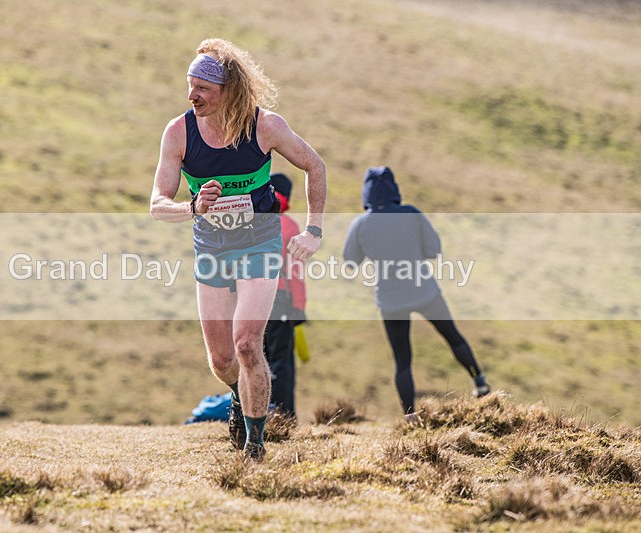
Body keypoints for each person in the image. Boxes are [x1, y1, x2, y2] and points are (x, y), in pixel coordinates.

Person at [150, 39, 326, 460]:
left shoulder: (265, 126)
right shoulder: (179, 133)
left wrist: (312, 230)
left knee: (248, 344)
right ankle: (237, 393)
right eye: (189, 85)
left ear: (228, 90)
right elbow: (157, 204)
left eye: (202, 89)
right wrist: (192, 207)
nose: (192, 95)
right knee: (222, 359)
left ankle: (255, 443)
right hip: (211, 248)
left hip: (260, 243)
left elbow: (314, 165)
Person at [342, 166, 490, 424]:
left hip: (390, 300)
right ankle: (479, 381)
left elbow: (350, 263)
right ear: (393, 189)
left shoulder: (361, 224)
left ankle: (410, 416)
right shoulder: (411, 213)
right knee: (453, 337)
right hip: (424, 291)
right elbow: (434, 250)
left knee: (402, 361)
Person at [264, 173, 307, 419]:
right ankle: (284, 416)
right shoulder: (287, 225)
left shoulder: (248, 220)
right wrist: (298, 307)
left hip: (247, 298)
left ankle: (255, 416)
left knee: (254, 358)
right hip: (278, 298)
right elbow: (295, 270)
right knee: (281, 362)